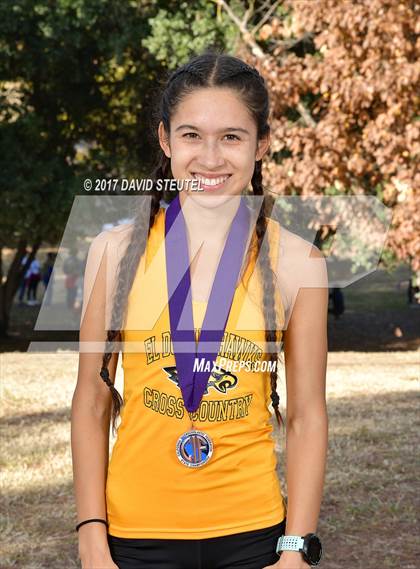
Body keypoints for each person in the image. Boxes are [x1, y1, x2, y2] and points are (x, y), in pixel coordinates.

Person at [71, 51, 328, 569]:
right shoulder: (114, 252)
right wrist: (91, 537)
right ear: (166, 141)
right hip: (133, 536)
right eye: (191, 135)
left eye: (231, 136)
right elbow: (93, 402)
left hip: (253, 536)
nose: (210, 158)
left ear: (262, 146)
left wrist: (296, 550)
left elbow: (306, 417)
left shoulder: (300, 262)